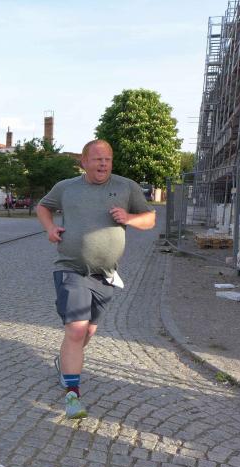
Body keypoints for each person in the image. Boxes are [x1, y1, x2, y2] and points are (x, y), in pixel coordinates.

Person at [36, 139, 155, 419]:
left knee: (87, 332)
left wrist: (129, 218)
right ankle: (72, 396)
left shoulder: (126, 187)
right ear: (84, 162)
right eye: (97, 159)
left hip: (106, 275)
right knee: (76, 330)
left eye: (108, 159)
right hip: (71, 268)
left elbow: (150, 218)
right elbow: (43, 206)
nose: (103, 164)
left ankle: (64, 362)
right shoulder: (66, 187)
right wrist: (50, 228)